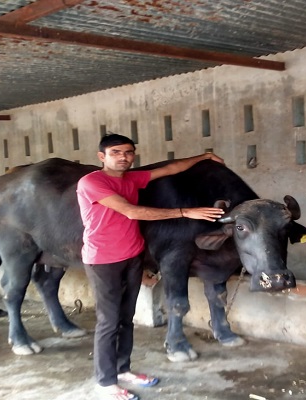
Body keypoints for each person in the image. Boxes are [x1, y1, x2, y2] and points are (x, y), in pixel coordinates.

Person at [76, 134, 225, 400]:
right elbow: (131, 211)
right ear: (102, 157)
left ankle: (123, 369)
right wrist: (186, 212)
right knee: (109, 321)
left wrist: (203, 157)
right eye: (116, 152)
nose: (123, 157)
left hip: (132, 256)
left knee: (126, 318)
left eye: (128, 152)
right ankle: (105, 381)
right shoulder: (92, 182)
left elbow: (171, 168)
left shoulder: (132, 179)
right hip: (103, 260)